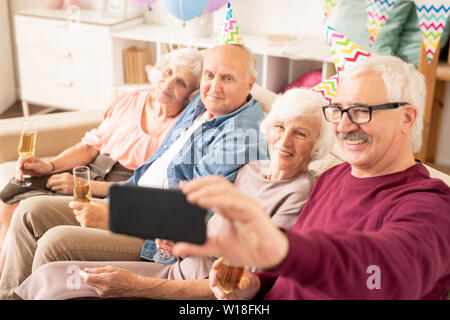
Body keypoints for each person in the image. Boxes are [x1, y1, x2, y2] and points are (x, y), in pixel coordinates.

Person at [0, 44, 269, 299]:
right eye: (210, 75)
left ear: (249, 84)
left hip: (154, 234)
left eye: (227, 79)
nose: (214, 86)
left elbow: (190, 213)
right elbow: (156, 157)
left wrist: (115, 214)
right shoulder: (200, 104)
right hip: (130, 200)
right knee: (28, 212)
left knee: (54, 242)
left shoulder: (240, 137)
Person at [13, 88, 335, 300]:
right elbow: (206, 221)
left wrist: (136, 283)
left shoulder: (300, 193)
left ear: (317, 146)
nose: (285, 141)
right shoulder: (251, 168)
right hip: (173, 266)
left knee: (66, 284)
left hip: (190, 292)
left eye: (301, 133)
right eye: (280, 127)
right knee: (53, 275)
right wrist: (178, 241)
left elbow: (241, 284)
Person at [174, 55, 450, 300]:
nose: (342, 126)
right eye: (339, 111)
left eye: (361, 111)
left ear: (407, 118)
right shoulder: (332, 176)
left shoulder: (428, 205)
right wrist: (255, 285)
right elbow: (287, 279)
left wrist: (282, 248)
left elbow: (388, 276)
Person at [0, 47, 203, 254]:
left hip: (107, 190)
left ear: (191, 94)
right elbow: (89, 148)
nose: (168, 83)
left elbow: (141, 187)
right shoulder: (131, 100)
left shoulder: (180, 131)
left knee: (27, 211)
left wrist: (84, 186)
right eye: (168, 72)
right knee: (13, 191)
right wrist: (49, 166)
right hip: (85, 171)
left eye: (182, 82)